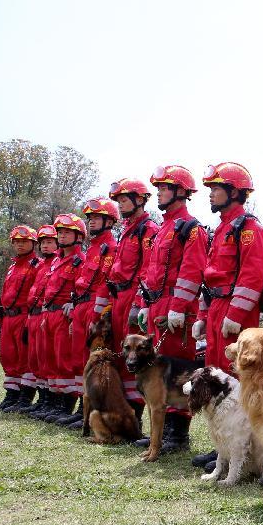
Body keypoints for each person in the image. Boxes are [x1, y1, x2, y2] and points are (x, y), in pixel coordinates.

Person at [190, 162, 263, 472]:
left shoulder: (248, 228)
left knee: (235, 382)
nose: (210, 195)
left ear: (235, 192)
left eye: (216, 189)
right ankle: (222, 447)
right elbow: (209, 278)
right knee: (215, 375)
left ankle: (243, 448)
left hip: (235, 311)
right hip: (217, 311)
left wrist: (236, 313)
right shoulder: (222, 228)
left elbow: (253, 274)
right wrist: (202, 313)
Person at [135, 165, 207, 453]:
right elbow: (149, 271)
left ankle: (178, 435)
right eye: (159, 187)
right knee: (157, 370)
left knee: (177, 371)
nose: (159, 192)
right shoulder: (163, 228)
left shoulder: (191, 229)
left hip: (178, 309)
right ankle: (161, 434)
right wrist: (144, 304)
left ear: (180, 191)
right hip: (157, 306)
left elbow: (192, 271)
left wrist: (178, 307)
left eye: (165, 187)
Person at [56, 197, 118, 427]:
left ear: (109, 221)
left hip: (94, 306)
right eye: (89, 218)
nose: (91, 222)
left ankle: (92, 410)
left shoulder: (110, 247)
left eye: (96, 218)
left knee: (93, 361)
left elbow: (104, 282)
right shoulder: (92, 248)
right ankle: (82, 408)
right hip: (81, 306)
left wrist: (99, 314)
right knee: (78, 359)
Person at [105, 178, 160, 419]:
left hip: (133, 297)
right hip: (119, 297)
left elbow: (148, 269)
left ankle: (135, 415)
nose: (119, 205)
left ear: (139, 200)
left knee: (134, 357)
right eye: (118, 201)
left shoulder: (148, 230)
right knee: (121, 354)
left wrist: (139, 302)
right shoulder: (127, 231)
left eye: (124, 200)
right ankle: (124, 412)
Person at [37, 214, 87, 423]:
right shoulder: (57, 261)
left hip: (65, 316)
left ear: (78, 236)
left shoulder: (79, 260)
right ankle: (56, 404)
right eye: (61, 232)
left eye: (67, 232)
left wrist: (73, 305)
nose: (62, 236)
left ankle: (67, 406)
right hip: (50, 314)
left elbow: (83, 287)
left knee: (66, 361)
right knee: (52, 361)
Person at [0, 225, 39, 412]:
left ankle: (24, 399)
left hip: (24, 316)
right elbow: (4, 295)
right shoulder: (12, 266)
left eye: (24, 241)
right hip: (8, 318)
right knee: (8, 357)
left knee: (24, 358)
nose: (20, 245)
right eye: (16, 241)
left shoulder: (36, 265)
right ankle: (11, 397)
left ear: (33, 243)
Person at [22, 224, 59, 416]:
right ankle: (43, 399)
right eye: (43, 242)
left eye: (50, 242)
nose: (45, 246)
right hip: (35, 314)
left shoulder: (57, 262)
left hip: (48, 313)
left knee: (50, 359)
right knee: (37, 359)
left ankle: (54, 403)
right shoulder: (40, 265)